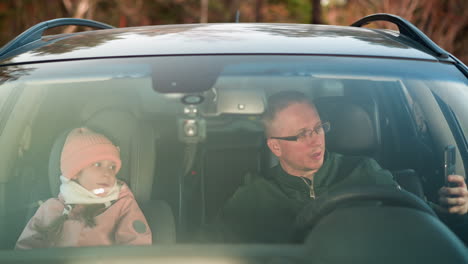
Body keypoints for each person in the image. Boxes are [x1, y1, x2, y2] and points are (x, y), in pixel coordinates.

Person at [211, 91, 468, 243]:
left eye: (319, 128)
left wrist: (457, 212)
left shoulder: (365, 171)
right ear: (276, 147)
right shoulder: (253, 197)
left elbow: (423, 225)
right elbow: (210, 250)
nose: (316, 140)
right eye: (302, 134)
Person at [16, 127, 152, 249]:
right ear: (75, 172)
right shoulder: (51, 209)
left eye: (112, 167)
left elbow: (136, 247)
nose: (108, 173)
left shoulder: (122, 205)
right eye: (98, 164)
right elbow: (25, 252)